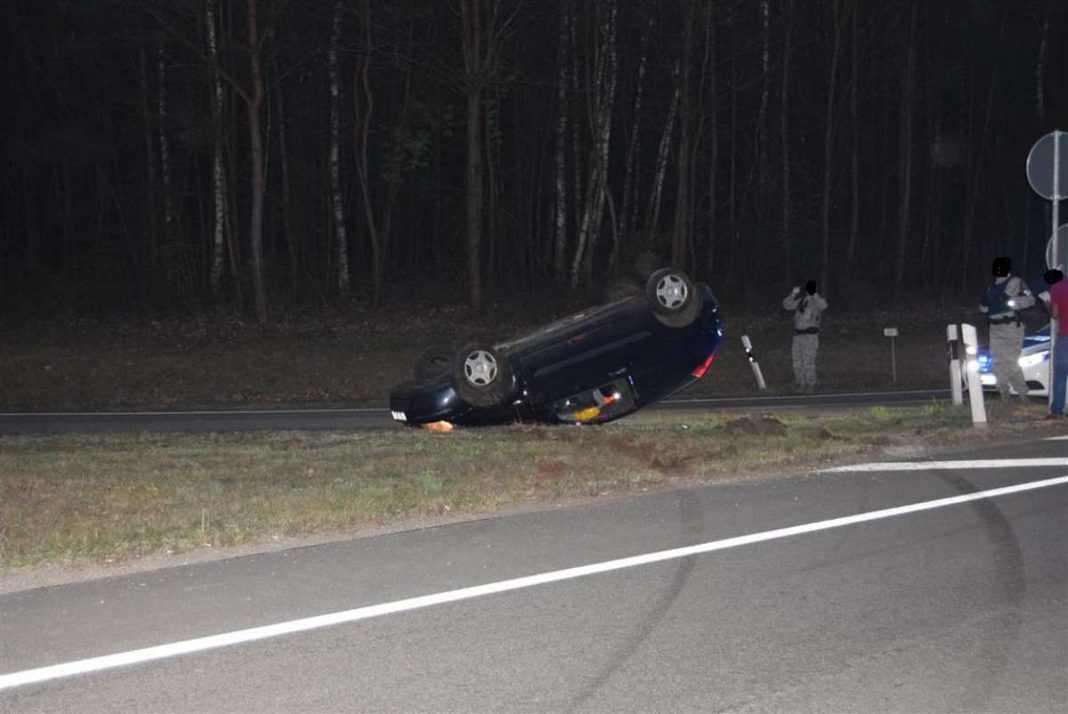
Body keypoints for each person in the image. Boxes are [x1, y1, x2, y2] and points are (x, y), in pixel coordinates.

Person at [977, 256, 1034, 402]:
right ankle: (1004, 393)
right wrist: (983, 303)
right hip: (995, 328)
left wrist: (1011, 302)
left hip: (1011, 326)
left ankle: (1023, 394)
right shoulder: (992, 287)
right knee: (997, 362)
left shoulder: (1016, 282)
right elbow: (983, 310)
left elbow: (1030, 300)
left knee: (1010, 361)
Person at [782, 280, 828, 393]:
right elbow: (786, 305)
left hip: (810, 336)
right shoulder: (801, 301)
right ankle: (800, 383)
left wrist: (814, 294)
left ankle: (811, 384)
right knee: (797, 360)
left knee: (808, 361)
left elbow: (824, 305)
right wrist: (793, 294)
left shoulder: (816, 302)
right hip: (798, 336)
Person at [1043, 268, 1068, 419]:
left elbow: (1055, 314)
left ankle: (1057, 410)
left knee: (1060, 373)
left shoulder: (1057, 288)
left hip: (1065, 336)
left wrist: (1047, 303)